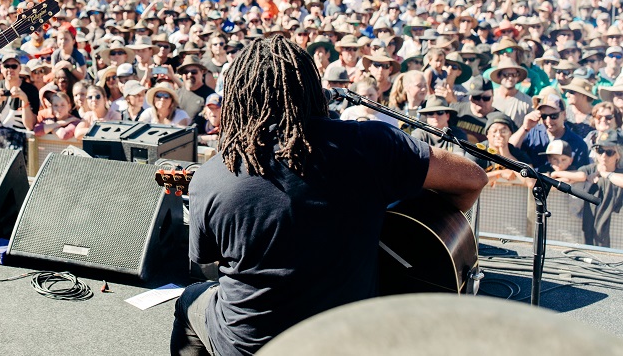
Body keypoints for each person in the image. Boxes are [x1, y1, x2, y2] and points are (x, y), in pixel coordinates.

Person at [172, 36, 485, 356]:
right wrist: (413, 235)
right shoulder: (372, 144)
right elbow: (472, 180)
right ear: (312, 86)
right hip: (348, 342)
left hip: (252, 346)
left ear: (237, 99)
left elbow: (209, 263)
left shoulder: (210, 177)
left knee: (190, 299)